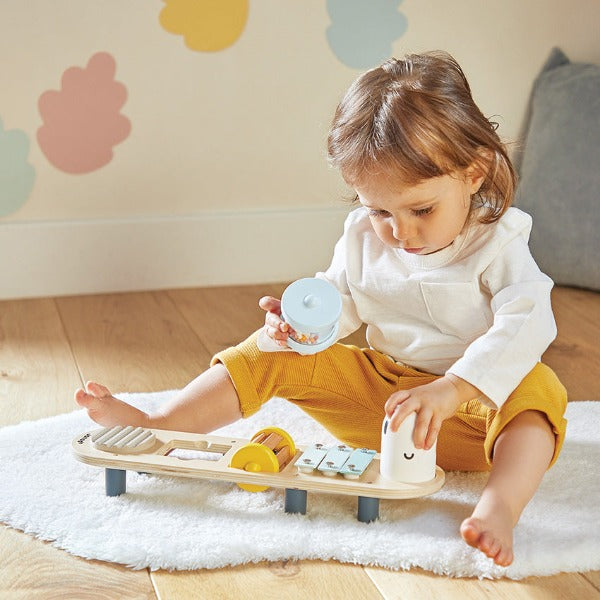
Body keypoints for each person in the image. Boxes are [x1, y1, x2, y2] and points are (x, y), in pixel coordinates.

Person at [75, 51, 567, 568]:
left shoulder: (499, 243)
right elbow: (341, 301)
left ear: (474, 172)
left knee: (540, 392)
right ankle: (163, 425)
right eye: (378, 210)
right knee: (271, 349)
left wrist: (453, 388)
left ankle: (499, 506)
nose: (400, 232)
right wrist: (301, 327)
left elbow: (528, 321)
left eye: (421, 209)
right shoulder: (363, 238)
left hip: (471, 416)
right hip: (383, 409)